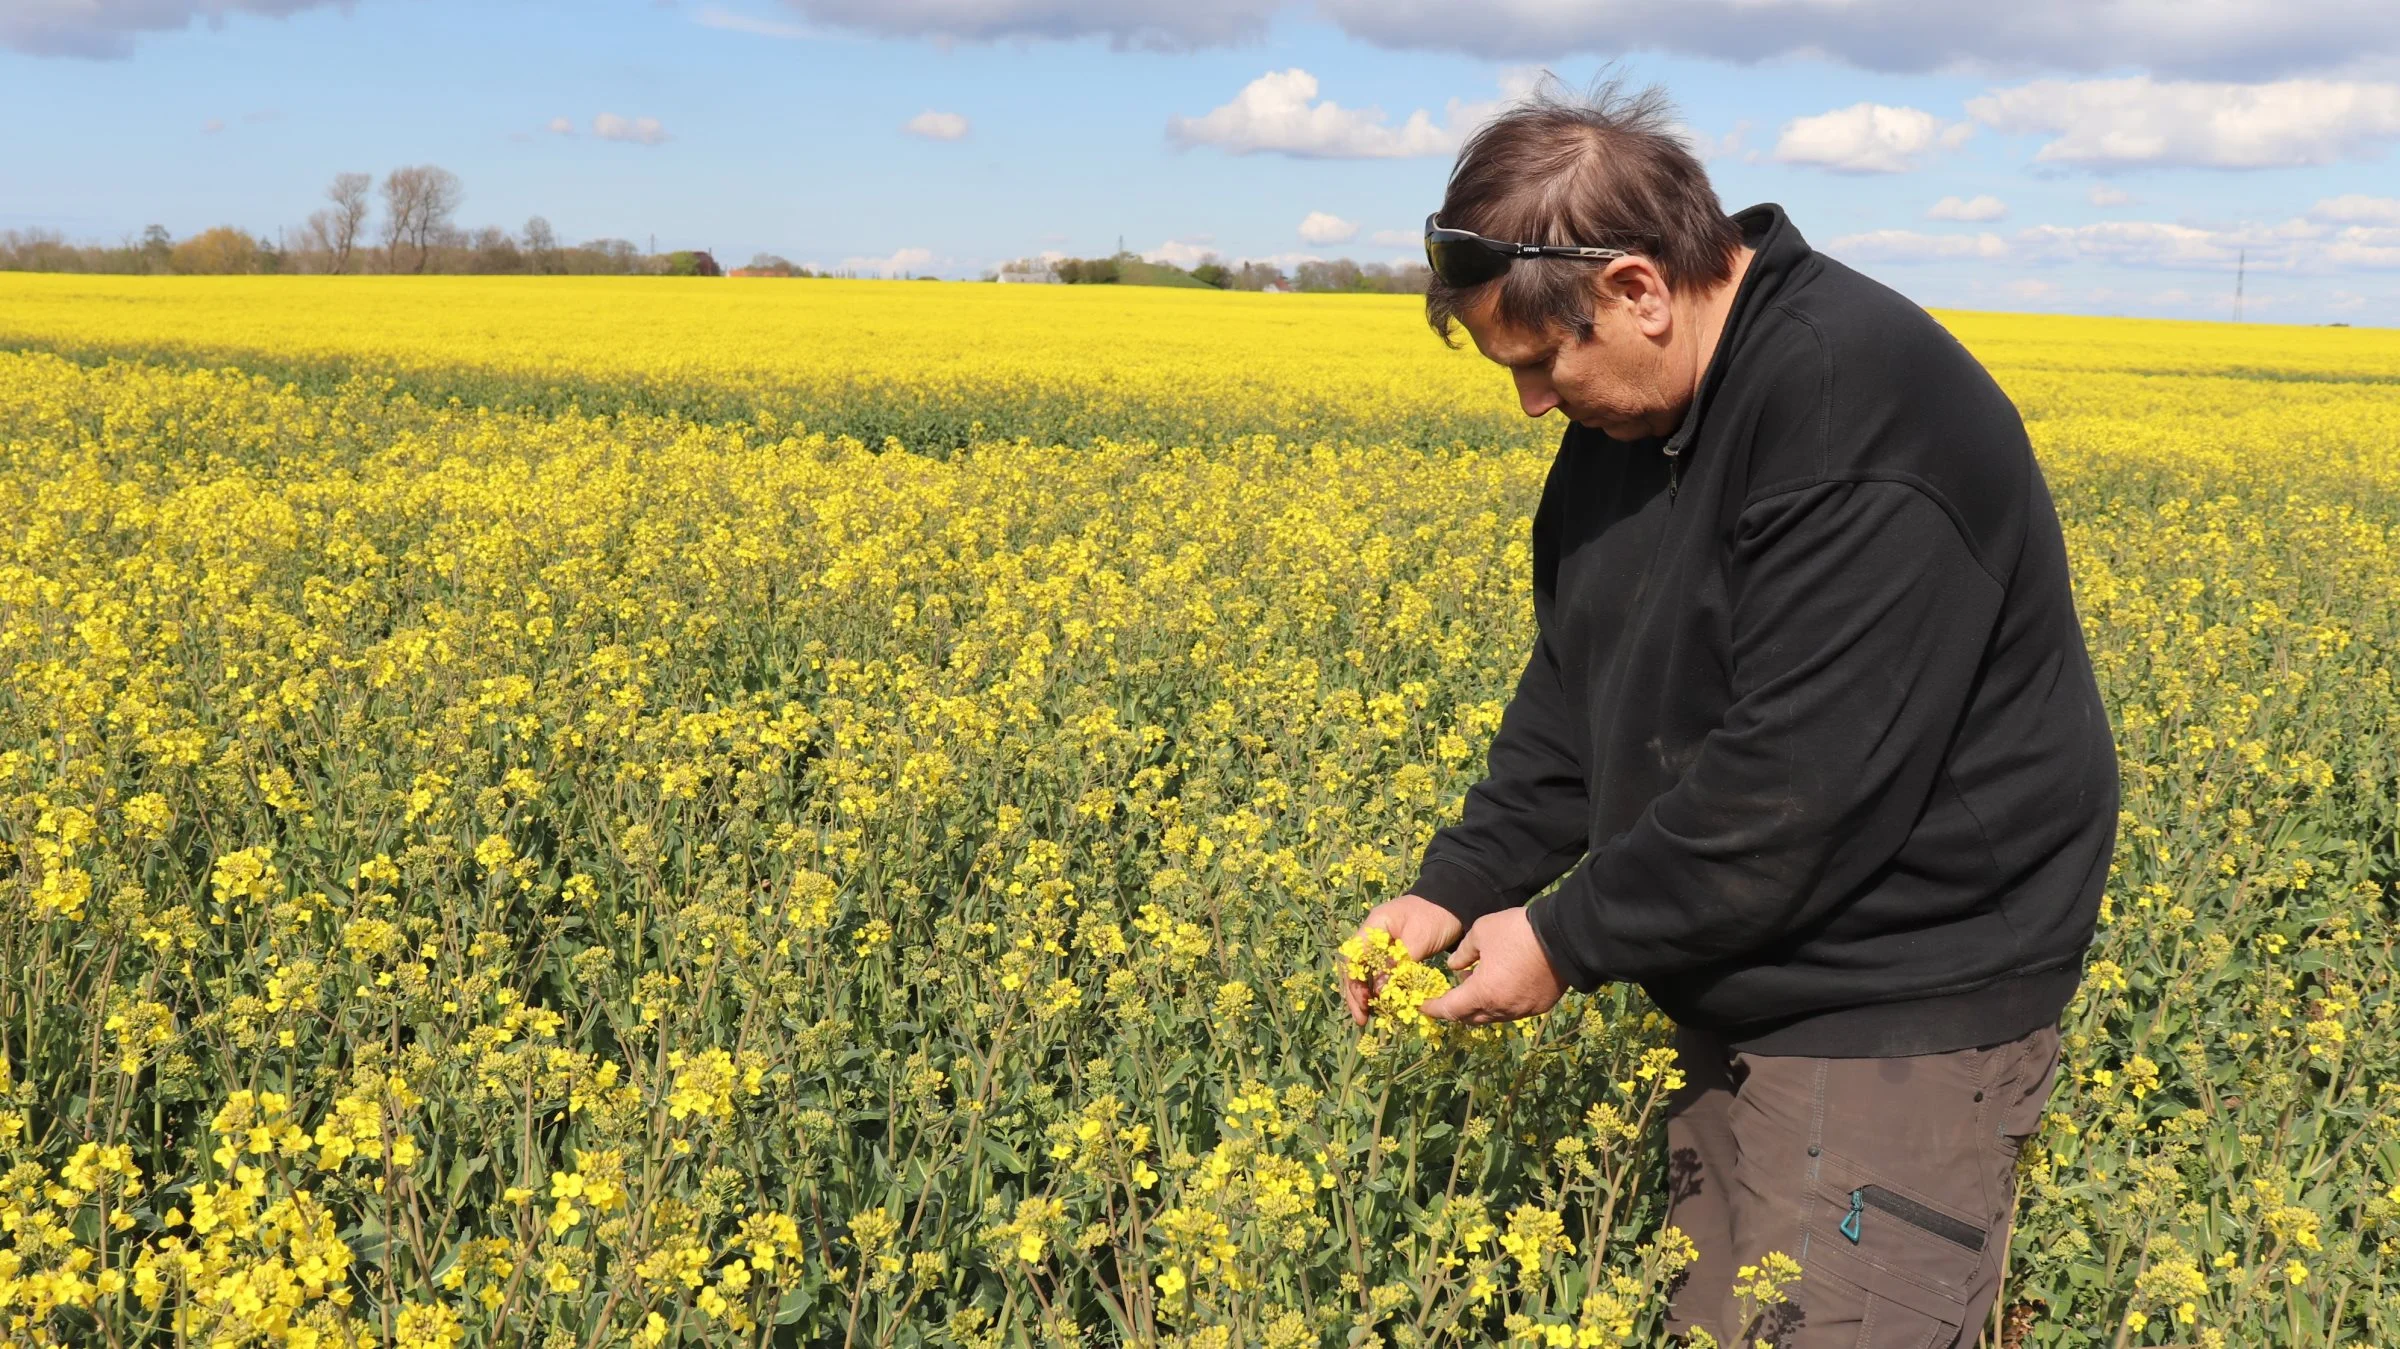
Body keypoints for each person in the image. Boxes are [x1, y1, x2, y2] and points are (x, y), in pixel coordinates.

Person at [1338, 78, 2119, 1348]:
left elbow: (1791, 791)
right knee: (1719, 1325)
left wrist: (1562, 937)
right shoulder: (1640, 414)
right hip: (1735, 964)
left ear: (1638, 287)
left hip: (1896, 992)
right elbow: (1581, 685)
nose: (1533, 402)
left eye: (1543, 360)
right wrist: (1458, 880)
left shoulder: (1852, 410)